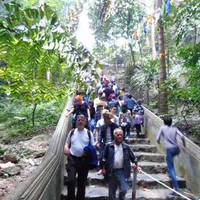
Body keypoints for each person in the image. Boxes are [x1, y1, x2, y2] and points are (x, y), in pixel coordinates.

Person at [102, 128, 140, 200]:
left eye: (121, 135)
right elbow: (104, 158)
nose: (119, 136)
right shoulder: (109, 146)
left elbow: (134, 158)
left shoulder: (126, 147)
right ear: (114, 136)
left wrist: (136, 165)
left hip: (122, 171)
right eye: (118, 135)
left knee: (124, 189)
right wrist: (103, 168)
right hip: (111, 171)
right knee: (111, 193)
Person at [64, 114, 94, 200]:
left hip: (84, 160)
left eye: (82, 120)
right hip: (72, 159)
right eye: (78, 120)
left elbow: (92, 146)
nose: (80, 121)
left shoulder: (89, 133)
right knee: (71, 180)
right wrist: (66, 148)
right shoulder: (72, 132)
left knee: (82, 182)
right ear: (76, 121)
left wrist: (88, 151)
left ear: (85, 122)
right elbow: (67, 143)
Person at [156, 116, 185, 195]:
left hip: (170, 149)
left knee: (171, 168)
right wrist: (184, 145)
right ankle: (169, 172)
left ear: (164, 122)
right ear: (171, 122)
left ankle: (176, 189)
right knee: (169, 161)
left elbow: (157, 138)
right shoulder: (175, 128)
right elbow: (182, 137)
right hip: (176, 149)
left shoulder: (162, 128)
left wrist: (159, 142)